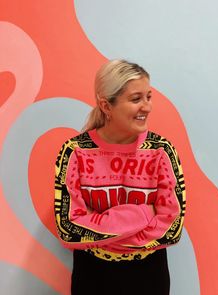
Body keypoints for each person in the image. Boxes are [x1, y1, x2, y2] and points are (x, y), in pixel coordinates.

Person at [54, 59, 186, 295]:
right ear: (106, 105)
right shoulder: (75, 152)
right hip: (93, 277)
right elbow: (68, 229)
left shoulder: (161, 150)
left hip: (149, 277)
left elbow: (172, 227)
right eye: (136, 99)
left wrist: (101, 233)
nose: (146, 107)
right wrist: (145, 213)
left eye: (148, 97)